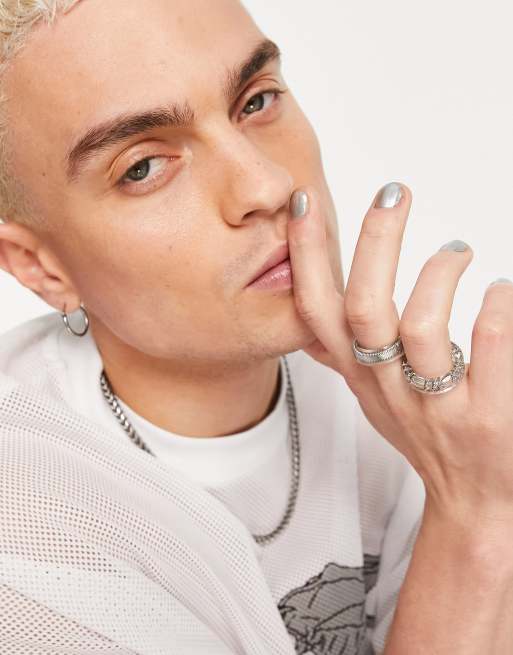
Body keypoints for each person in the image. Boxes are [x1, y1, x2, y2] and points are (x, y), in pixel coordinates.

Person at [0, 1, 511, 653]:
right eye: (143, 167)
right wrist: (475, 514)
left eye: (256, 101)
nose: (266, 185)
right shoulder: (26, 525)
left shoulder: (414, 397)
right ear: (40, 266)